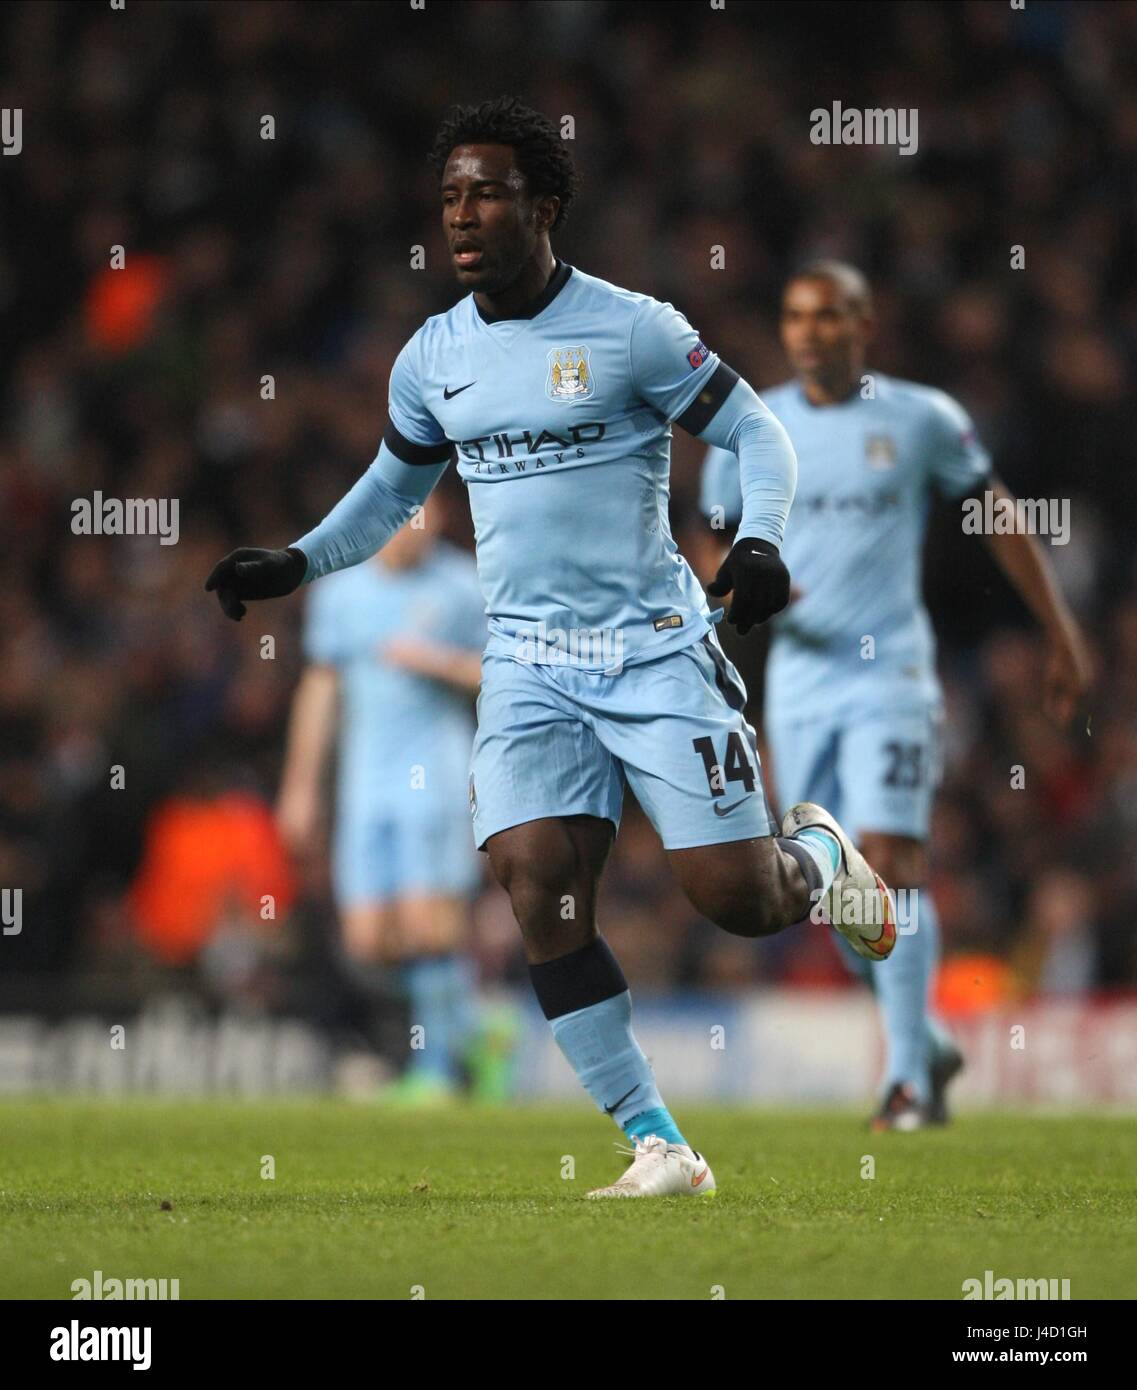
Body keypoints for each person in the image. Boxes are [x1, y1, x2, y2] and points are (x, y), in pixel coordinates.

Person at [206, 98, 896, 1198]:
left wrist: (759, 540)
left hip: (654, 650)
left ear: (547, 205)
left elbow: (757, 430)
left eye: (486, 193)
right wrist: (295, 563)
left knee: (736, 896)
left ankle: (818, 859)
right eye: (449, 199)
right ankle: (658, 1142)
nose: (463, 217)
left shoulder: (633, 330)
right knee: (536, 881)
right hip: (526, 663)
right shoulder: (433, 357)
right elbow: (392, 494)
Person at [699, 261, 1092, 1128]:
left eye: (830, 316)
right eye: (797, 316)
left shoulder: (920, 419)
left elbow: (994, 512)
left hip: (891, 678)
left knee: (890, 856)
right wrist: (742, 594)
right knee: (828, 885)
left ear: (862, 325)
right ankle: (923, 1041)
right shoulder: (748, 429)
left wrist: (1058, 630)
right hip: (797, 686)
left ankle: (906, 1081)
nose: (811, 331)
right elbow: (711, 548)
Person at [276, 515, 486, 1103]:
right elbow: (319, 690)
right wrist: (301, 786)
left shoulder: (463, 585)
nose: (410, 533)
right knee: (367, 938)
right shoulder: (340, 592)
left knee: (429, 923)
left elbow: (504, 674)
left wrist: (438, 662)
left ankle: (438, 1069)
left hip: (437, 775)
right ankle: (469, 1028)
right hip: (367, 783)